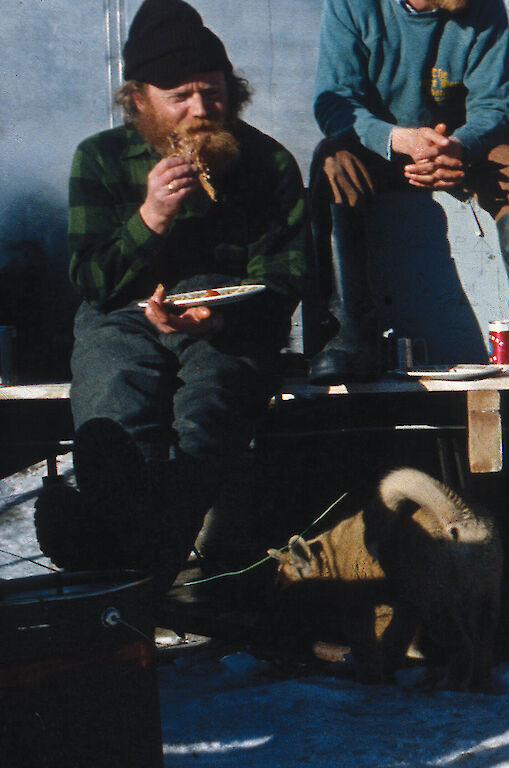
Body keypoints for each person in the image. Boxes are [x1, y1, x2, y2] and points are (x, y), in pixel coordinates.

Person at [37, 0, 308, 585]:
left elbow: (286, 277)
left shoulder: (268, 162)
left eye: (212, 92)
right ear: (139, 100)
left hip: (223, 318)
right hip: (123, 313)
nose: (200, 111)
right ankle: (135, 574)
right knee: (114, 419)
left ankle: (134, 582)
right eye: (179, 97)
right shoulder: (102, 158)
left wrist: (213, 322)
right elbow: (91, 281)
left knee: (207, 421)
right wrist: (152, 216)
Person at [308, 0, 509, 384]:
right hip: (376, 148)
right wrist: (400, 139)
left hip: (457, 151)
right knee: (332, 162)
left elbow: (496, 106)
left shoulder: (483, 8)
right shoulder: (353, 6)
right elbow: (335, 104)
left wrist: (457, 147)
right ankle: (349, 336)